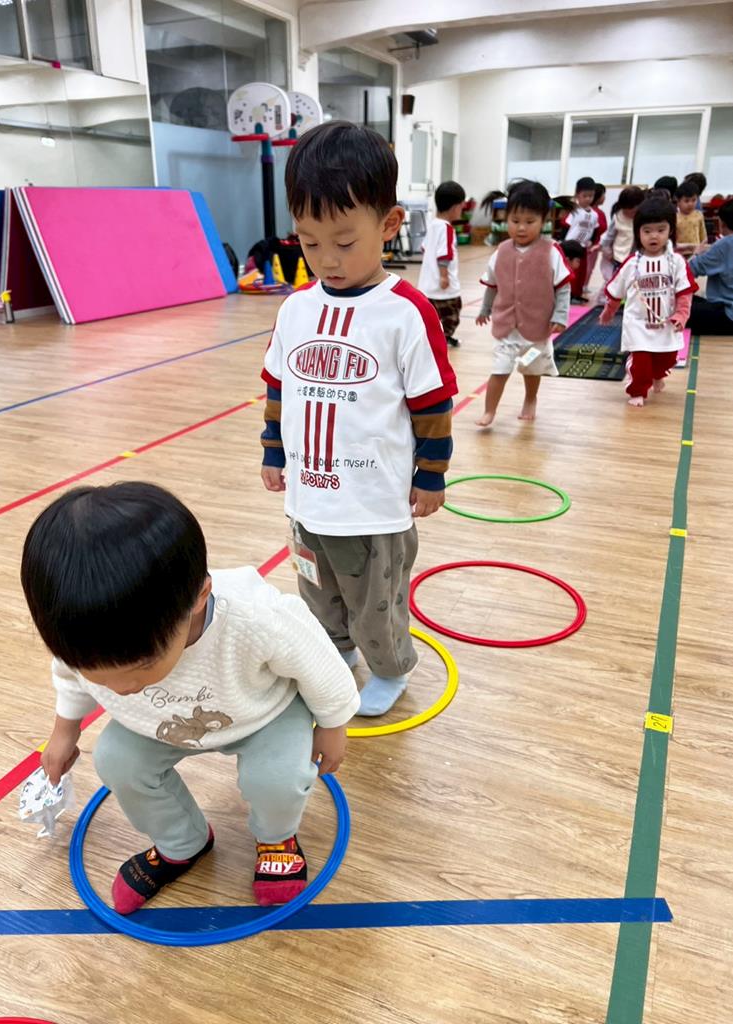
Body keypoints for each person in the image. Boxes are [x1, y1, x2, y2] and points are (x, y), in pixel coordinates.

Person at [24, 482, 360, 913]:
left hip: (263, 712)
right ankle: (181, 842)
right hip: (158, 723)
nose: (120, 688)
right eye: (99, 677)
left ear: (198, 599)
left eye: (139, 668)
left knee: (277, 778)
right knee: (117, 761)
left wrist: (333, 723)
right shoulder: (80, 637)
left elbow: (317, 660)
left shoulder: (257, 617)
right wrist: (63, 732)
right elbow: (69, 676)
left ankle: (276, 838)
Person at [260, 121, 458, 717]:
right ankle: (337, 651)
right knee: (316, 588)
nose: (327, 259)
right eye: (309, 242)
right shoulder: (296, 309)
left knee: (376, 599)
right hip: (308, 497)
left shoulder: (405, 312)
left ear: (389, 224)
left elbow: (432, 403)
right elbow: (278, 385)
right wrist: (273, 451)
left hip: (373, 503)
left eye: (345, 242)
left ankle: (391, 666)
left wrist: (431, 475)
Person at [476, 179, 573, 427]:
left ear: (544, 220)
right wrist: (485, 309)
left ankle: (530, 399)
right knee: (499, 369)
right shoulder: (501, 251)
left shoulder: (551, 251)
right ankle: (489, 411)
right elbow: (492, 284)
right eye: (515, 220)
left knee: (531, 368)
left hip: (536, 330)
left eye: (530, 222)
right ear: (505, 218)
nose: (521, 228)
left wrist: (560, 315)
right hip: (506, 329)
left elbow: (563, 287)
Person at [599, 198, 697, 406]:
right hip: (638, 324)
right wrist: (609, 311)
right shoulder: (632, 264)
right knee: (641, 362)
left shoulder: (677, 262)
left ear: (670, 230)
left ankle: (658, 374)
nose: (654, 236)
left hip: (666, 323)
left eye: (660, 230)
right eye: (647, 231)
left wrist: (681, 314)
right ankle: (638, 391)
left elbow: (685, 292)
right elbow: (616, 291)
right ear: (638, 233)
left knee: (667, 358)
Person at [418, 180, 466, 347]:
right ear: (455, 208)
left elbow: (424, 248)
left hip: (427, 286)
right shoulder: (447, 229)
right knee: (452, 315)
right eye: (461, 207)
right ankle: (442, 338)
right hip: (443, 289)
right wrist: (444, 276)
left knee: (433, 317)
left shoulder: (432, 225)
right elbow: (444, 255)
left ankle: (438, 337)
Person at [687, 199, 733, 336]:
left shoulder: (724, 245)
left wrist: (696, 253)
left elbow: (690, 270)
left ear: (722, 223)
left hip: (728, 314)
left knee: (677, 307)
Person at [598, 186, 645, 297]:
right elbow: (609, 236)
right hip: (618, 257)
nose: (628, 215)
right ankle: (609, 300)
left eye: (632, 212)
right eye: (626, 211)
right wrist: (606, 250)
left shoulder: (642, 218)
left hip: (636, 258)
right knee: (616, 282)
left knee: (633, 282)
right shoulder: (618, 217)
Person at [561, 176, 599, 302]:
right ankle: (570, 295)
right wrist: (562, 243)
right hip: (571, 246)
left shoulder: (594, 215)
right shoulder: (574, 211)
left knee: (582, 271)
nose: (588, 199)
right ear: (578, 195)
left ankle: (578, 293)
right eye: (585, 196)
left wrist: (592, 241)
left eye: (591, 196)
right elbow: (566, 226)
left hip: (583, 246)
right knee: (571, 271)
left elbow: (595, 229)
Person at [675, 181, 708, 253]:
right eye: (686, 201)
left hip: (696, 252)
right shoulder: (675, 217)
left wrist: (702, 248)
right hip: (680, 253)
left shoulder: (699, 215)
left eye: (694, 200)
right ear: (678, 201)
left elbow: (703, 235)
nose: (690, 204)